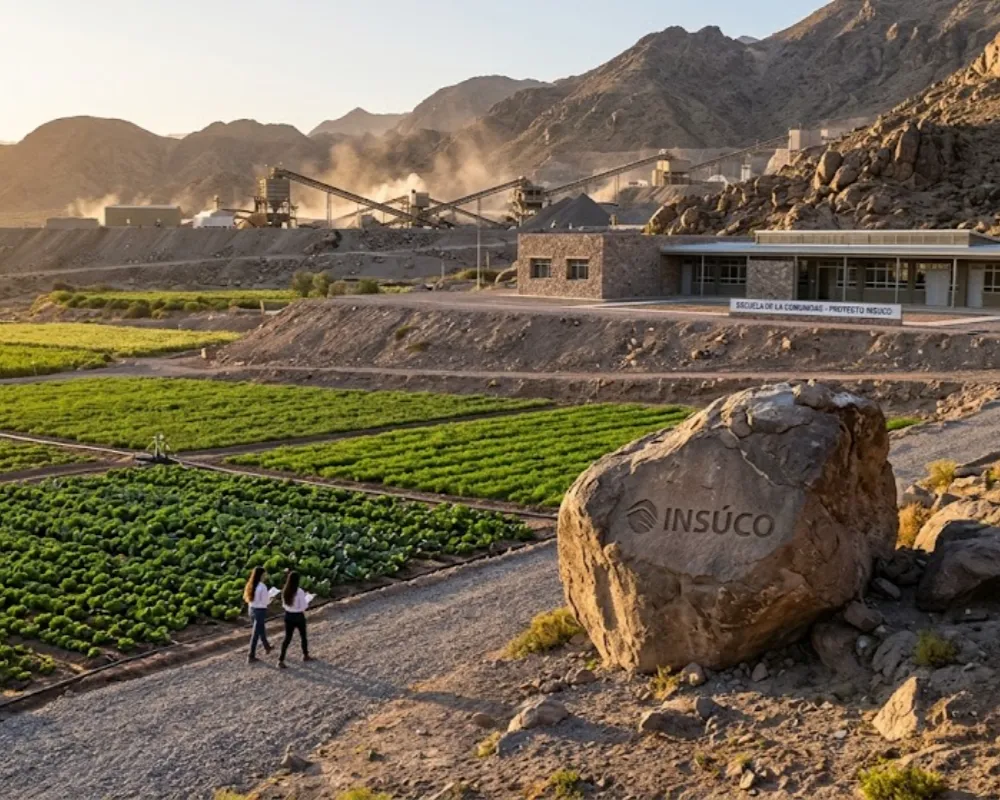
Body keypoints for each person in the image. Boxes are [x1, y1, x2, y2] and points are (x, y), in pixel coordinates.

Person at [278, 571, 314, 668]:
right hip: (298, 616)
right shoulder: (299, 591)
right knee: (303, 636)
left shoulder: (285, 590)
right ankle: (305, 655)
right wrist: (307, 599)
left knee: (287, 638)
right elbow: (303, 606)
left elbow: (284, 605)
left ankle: (281, 659)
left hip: (288, 615)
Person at [243, 566, 273, 664]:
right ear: (261, 575)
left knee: (260, 629)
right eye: (264, 574)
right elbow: (265, 601)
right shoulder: (262, 587)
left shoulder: (249, 585)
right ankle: (250, 655)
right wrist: (271, 598)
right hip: (260, 611)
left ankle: (267, 646)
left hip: (251, 609)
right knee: (256, 633)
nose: (265, 576)